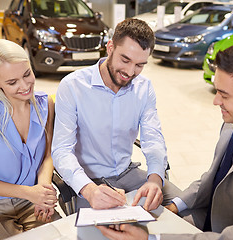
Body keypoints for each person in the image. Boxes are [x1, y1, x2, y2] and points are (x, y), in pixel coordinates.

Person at [97, 40, 233, 239]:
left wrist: (151, 238)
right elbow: (214, 177)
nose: (216, 101)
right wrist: (174, 206)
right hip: (211, 220)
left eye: (224, 95)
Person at [52, 18, 181, 211]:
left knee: (188, 207)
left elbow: (153, 138)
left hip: (128, 173)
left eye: (140, 65)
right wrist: (88, 190)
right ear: (110, 47)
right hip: (90, 182)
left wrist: (154, 178)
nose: (130, 72)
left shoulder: (144, 88)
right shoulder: (72, 86)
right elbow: (61, 151)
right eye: (125, 60)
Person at [0, 39, 60, 239]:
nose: (25, 86)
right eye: (12, 82)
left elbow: (48, 155)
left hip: (30, 202)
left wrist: (42, 191)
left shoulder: (46, 104)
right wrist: (29, 193)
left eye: (27, 74)